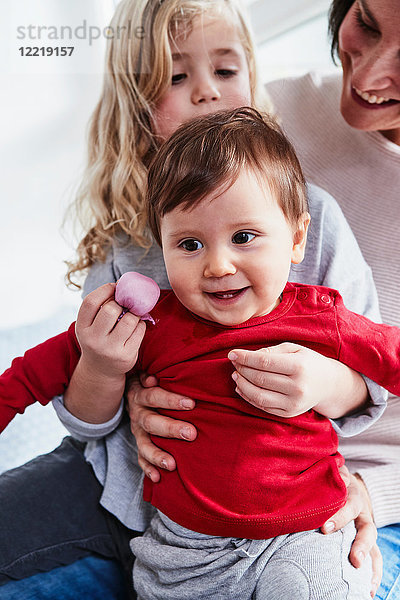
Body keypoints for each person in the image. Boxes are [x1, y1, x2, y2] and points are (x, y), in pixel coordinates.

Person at [0, 0, 387, 598]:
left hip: (280, 503)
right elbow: (82, 417)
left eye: (225, 72)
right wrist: (107, 370)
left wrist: (321, 384)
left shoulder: (313, 221)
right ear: (137, 106)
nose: (206, 93)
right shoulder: (125, 247)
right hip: (132, 487)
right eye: (176, 77)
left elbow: (373, 374)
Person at [263, 0, 400, 598]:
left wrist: (376, 489)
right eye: (366, 23)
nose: (368, 75)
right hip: (198, 452)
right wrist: (131, 399)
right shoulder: (271, 112)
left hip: (365, 496)